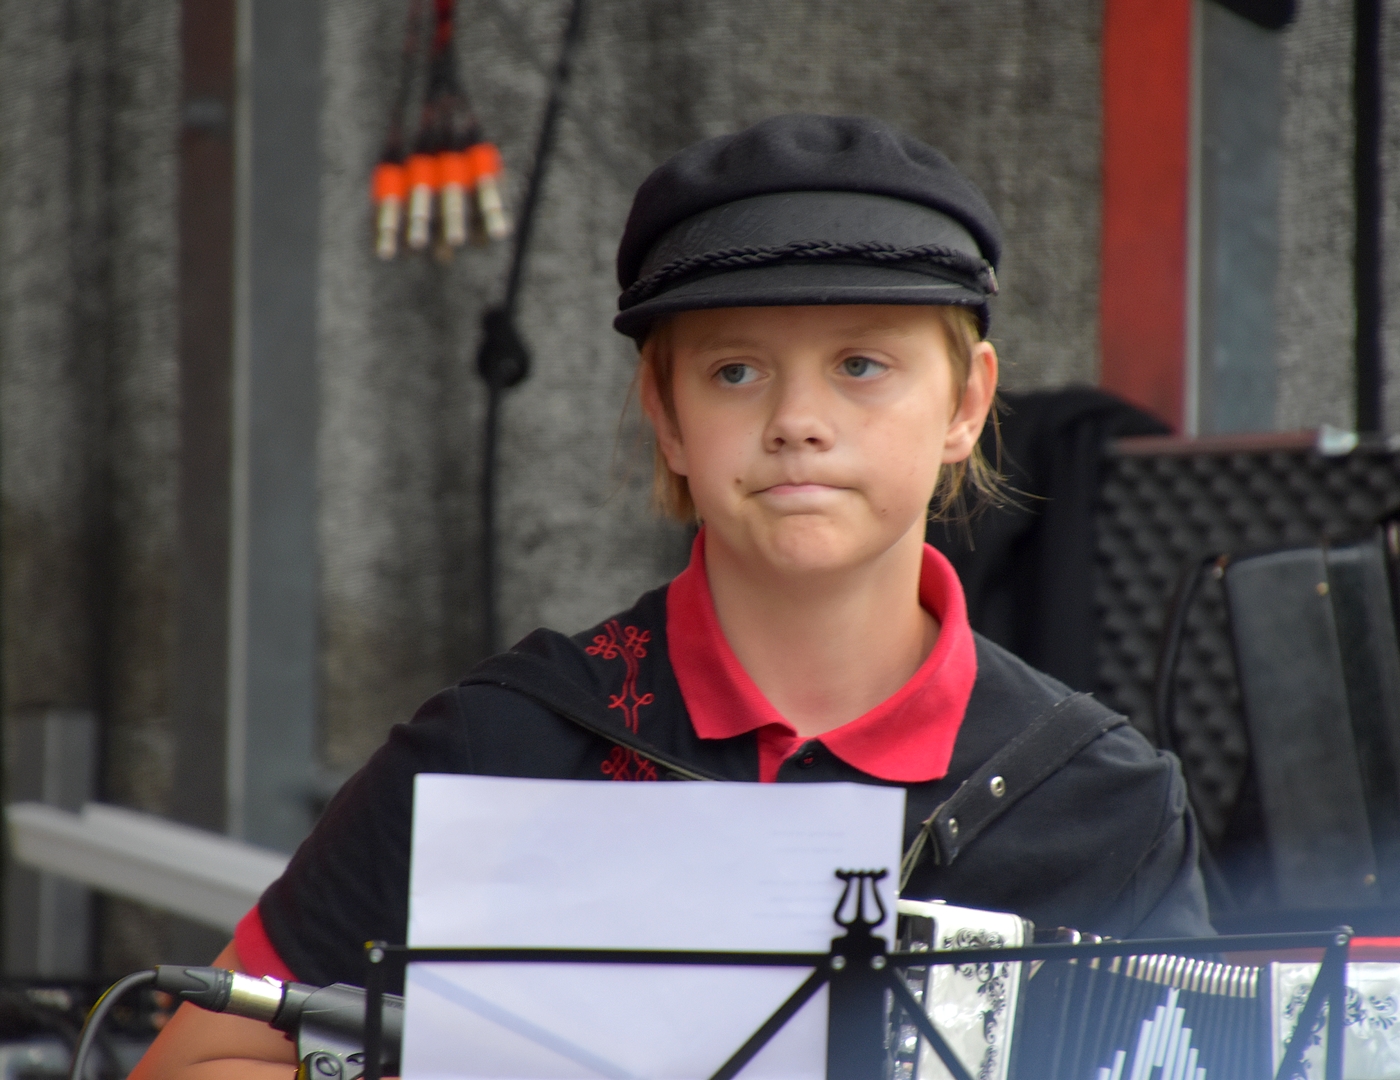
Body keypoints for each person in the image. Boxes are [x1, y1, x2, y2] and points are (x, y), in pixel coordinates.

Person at [132, 113, 1210, 1080]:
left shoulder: (1100, 801)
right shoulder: (499, 746)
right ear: (665, 414)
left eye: (861, 365)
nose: (797, 422)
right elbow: (199, 1060)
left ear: (966, 403)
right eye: (734, 371)